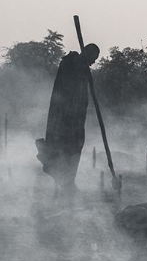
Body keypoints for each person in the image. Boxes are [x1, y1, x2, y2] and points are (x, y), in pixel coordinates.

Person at [36, 44, 100, 193]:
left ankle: (68, 180)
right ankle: (58, 171)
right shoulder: (71, 61)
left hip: (77, 117)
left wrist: (85, 71)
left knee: (75, 145)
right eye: (93, 58)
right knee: (64, 144)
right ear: (86, 53)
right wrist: (82, 69)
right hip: (65, 115)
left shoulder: (84, 68)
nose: (94, 62)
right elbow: (68, 81)